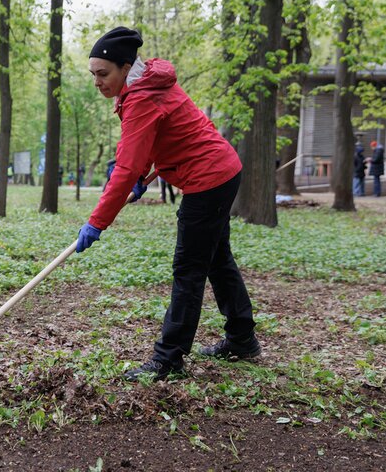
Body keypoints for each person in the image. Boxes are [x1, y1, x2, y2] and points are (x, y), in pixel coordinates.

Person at [75, 27, 260, 381]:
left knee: (189, 267)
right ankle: (242, 338)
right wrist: (142, 175)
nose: (97, 82)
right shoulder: (144, 86)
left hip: (209, 178)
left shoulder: (142, 97)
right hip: (222, 170)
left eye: (103, 73)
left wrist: (97, 222)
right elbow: (151, 143)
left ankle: (169, 358)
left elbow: (126, 167)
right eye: (93, 74)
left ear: (125, 67)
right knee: (217, 259)